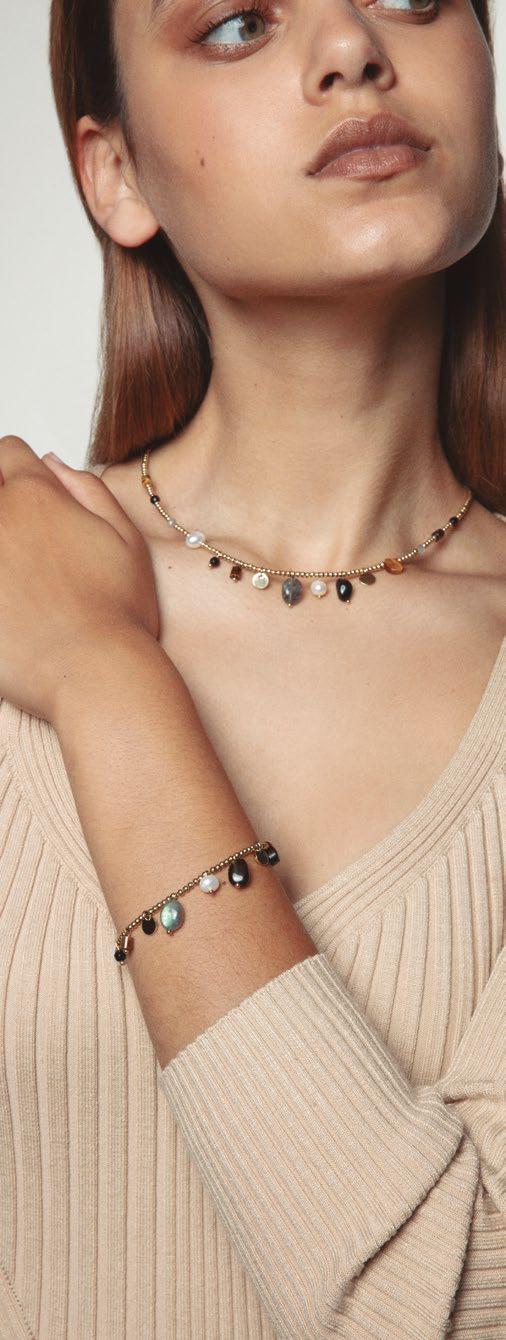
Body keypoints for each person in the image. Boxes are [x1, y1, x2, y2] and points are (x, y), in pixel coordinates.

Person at [0, 0, 504, 1336]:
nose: (352, 50)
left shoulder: (59, 638)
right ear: (116, 174)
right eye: (235, 24)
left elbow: (450, 1306)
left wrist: (106, 681)